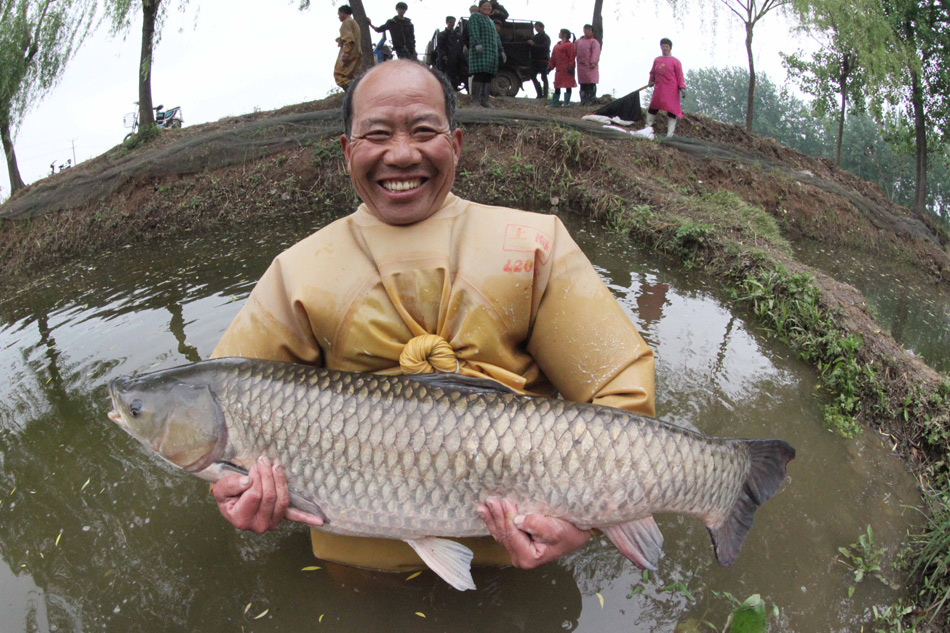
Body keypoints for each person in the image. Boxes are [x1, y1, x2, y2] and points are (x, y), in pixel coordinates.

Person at [209, 60, 656, 576]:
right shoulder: (295, 273)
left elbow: (623, 403)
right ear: (347, 150)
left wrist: (586, 522)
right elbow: (226, 408)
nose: (401, 154)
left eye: (424, 131)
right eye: (376, 134)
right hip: (357, 565)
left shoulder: (537, 244)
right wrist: (236, 491)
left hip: (521, 556)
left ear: (457, 143)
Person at [466, 1, 504, 108]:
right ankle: (475, 100)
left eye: (489, 6)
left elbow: (496, 37)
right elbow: (473, 31)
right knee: (479, 74)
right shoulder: (475, 17)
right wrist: (477, 43)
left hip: (491, 53)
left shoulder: (491, 22)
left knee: (488, 76)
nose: (487, 8)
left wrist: (501, 50)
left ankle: (485, 100)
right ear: (480, 7)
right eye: (485, 6)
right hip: (480, 52)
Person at [647, 37, 686, 137]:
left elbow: (680, 76)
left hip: (671, 90)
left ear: (670, 48)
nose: (665, 48)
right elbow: (653, 72)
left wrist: (682, 87)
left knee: (671, 111)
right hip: (659, 88)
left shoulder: (676, 62)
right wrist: (651, 81)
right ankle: (647, 127)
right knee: (653, 107)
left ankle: (670, 134)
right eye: (663, 46)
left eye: (666, 47)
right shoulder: (657, 60)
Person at [333, 5, 361, 89]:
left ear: (343, 12)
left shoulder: (346, 23)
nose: (338, 17)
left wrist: (345, 52)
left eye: (339, 14)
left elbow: (348, 39)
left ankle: (352, 91)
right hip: (357, 53)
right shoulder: (354, 23)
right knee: (351, 75)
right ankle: (356, 92)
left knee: (339, 75)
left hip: (350, 52)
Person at [547, 29, 576, 107]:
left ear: (565, 35)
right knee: (557, 85)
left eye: (560, 33)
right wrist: (550, 67)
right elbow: (553, 58)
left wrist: (571, 66)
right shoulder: (557, 46)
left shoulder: (570, 45)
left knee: (568, 85)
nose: (559, 34)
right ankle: (555, 102)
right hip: (559, 69)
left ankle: (566, 102)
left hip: (567, 69)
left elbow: (571, 56)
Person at [575, 24, 601, 106]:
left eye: (589, 29)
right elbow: (574, 51)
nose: (586, 31)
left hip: (590, 65)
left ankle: (591, 99)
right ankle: (583, 99)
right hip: (581, 65)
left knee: (591, 83)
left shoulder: (594, 42)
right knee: (583, 84)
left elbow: (595, 52)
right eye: (585, 29)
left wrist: (593, 62)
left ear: (592, 31)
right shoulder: (578, 41)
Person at [527, 21, 550, 100]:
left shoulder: (546, 37)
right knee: (532, 75)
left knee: (544, 77)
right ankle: (539, 93)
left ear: (542, 27)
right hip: (535, 60)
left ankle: (545, 95)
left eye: (537, 26)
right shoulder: (535, 37)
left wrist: (534, 44)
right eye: (535, 27)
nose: (536, 28)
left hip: (543, 60)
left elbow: (544, 47)